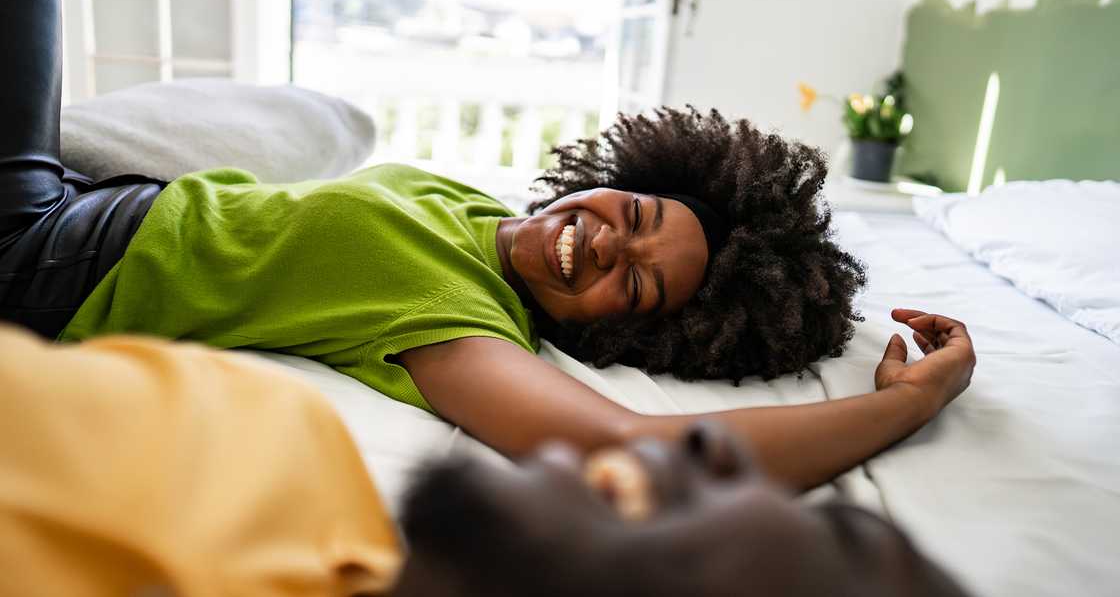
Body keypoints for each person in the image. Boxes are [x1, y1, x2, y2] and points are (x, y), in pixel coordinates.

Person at [1, 0, 976, 493]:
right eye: (632, 212)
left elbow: (628, 454)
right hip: (92, 200)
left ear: (623, 330)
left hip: (39, 256)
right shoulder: (468, 206)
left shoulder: (461, 323)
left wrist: (907, 401)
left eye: (630, 281)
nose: (601, 240)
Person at [0, 323, 971, 597]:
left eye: (834, 532)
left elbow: (623, 441)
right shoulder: (283, 440)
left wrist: (907, 402)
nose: (713, 444)